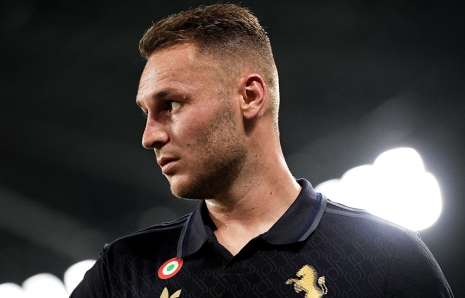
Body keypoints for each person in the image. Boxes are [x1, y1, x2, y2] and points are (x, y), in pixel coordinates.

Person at [71, 4, 453, 297]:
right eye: (146, 113)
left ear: (250, 97)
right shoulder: (123, 272)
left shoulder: (385, 260)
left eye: (170, 104)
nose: (149, 136)